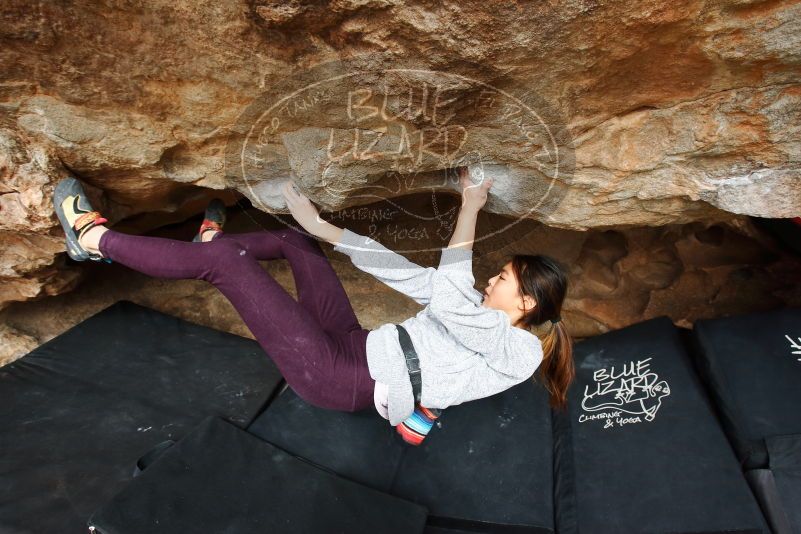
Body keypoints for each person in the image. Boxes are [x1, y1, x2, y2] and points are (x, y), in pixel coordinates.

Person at [53, 168, 574, 445]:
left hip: (339, 378)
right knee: (295, 240)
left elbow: (453, 289)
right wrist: (319, 225)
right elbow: (400, 269)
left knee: (228, 266)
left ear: (526, 301)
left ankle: (92, 238)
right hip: (352, 343)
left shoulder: (518, 350)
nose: (491, 277)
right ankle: (204, 247)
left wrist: (471, 205)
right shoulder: (471, 305)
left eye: (501, 277)